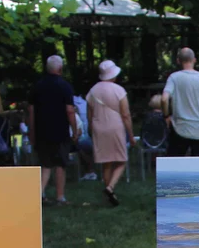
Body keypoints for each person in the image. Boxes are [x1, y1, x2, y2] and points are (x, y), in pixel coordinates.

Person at [29, 55, 80, 206]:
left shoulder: (37, 86)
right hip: (60, 131)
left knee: (45, 164)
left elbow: (31, 111)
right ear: (60, 68)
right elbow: (70, 110)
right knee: (60, 164)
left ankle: (40, 193)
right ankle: (60, 197)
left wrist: (32, 131)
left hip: (41, 130)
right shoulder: (64, 86)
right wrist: (75, 130)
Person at [87, 59, 134, 206]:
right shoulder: (119, 90)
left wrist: (91, 128)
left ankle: (109, 195)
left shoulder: (92, 91)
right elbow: (125, 115)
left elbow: (89, 113)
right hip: (115, 126)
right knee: (122, 160)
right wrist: (131, 135)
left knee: (106, 162)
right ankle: (110, 187)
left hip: (98, 126)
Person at [162, 47, 199, 157]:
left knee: (174, 166)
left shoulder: (174, 78)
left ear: (178, 61)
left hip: (181, 129)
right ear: (194, 60)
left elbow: (164, 99)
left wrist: (166, 115)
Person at [73, 93, 97, 180]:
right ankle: (90, 171)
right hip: (64, 141)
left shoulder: (74, 116)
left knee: (84, 144)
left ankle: (91, 171)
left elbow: (79, 131)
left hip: (77, 139)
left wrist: (75, 137)